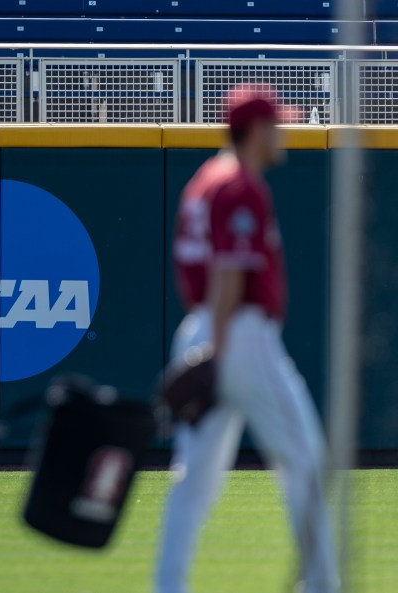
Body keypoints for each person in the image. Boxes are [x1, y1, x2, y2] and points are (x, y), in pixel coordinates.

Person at [156, 87, 339, 593]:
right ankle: (324, 582)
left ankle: (167, 585)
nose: (283, 132)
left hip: (203, 326)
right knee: (304, 458)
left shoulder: (203, 182)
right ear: (255, 130)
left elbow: (192, 271)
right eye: (277, 124)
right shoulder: (240, 186)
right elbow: (228, 274)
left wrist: (202, 341)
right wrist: (218, 350)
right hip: (237, 333)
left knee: (193, 479)